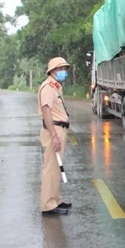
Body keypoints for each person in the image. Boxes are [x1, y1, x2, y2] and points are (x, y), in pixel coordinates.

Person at [39, 57, 73, 215]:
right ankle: (48, 205)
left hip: (59, 129)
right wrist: (54, 136)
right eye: (61, 69)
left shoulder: (54, 87)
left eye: (64, 69)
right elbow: (46, 112)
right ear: (52, 71)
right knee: (51, 169)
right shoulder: (47, 87)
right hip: (54, 129)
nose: (64, 72)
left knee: (57, 168)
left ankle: (56, 200)